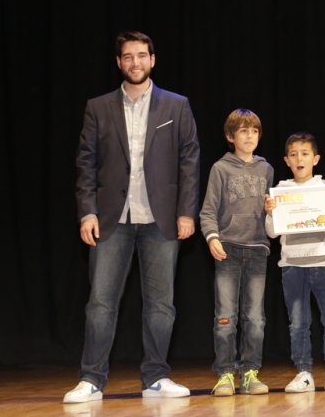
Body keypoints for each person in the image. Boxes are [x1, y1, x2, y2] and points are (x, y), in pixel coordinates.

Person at [64, 31, 200, 403]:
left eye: (142, 55)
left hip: (162, 220)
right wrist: (87, 212)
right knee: (101, 303)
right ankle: (91, 379)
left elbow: (189, 162)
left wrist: (187, 213)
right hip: (111, 219)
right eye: (128, 57)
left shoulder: (176, 106)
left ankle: (156, 377)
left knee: (161, 304)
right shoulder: (98, 107)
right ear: (119, 62)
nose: (135, 62)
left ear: (152, 60)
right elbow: (86, 164)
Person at [264, 132, 325, 392]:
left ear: (316, 158)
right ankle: (303, 372)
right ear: (286, 160)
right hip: (292, 266)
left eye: (304, 153)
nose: (299, 158)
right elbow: (271, 232)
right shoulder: (280, 191)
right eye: (293, 154)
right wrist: (270, 213)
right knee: (299, 323)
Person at [199, 109, 274, 396]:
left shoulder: (266, 169)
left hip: (257, 250)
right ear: (231, 136)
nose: (250, 136)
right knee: (225, 316)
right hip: (227, 249)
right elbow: (207, 211)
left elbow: (272, 211)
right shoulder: (221, 169)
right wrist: (212, 237)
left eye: (254, 131)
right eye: (243, 131)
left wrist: (272, 213)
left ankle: (251, 371)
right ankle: (225, 373)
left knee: (255, 317)